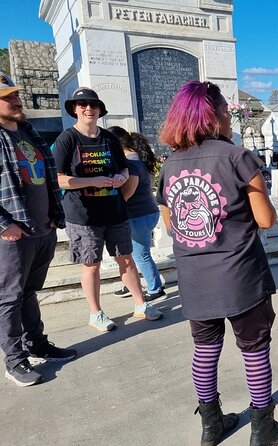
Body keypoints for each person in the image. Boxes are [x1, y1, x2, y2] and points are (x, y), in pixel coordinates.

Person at [156, 80, 278, 446]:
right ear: (213, 114)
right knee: (254, 349)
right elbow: (265, 220)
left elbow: (171, 223)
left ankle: (211, 424)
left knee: (205, 349)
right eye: (225, 109)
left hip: (194, 275)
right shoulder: (237, 157)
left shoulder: (170, 164)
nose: (229, 115)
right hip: (239, 274)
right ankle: (263, 427)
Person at [53, 87, 162, 332]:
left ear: (100, 110)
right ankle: (96, 313)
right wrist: (93, 181)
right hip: (84, 216)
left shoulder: (110, 138)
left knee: (126, 258)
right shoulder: (67, 139)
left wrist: (120, 179)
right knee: (91, 263)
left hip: (115, 211)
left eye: (93, 105)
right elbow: (59, 178)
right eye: (82, 104)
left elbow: (124, 169)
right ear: (74, 109)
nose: (88, 108)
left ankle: (141, 305)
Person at [0, 72, 77, 387]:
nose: (17, 99)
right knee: (8, 298)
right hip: (13, 234)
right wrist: (5, 225)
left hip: (42, 228)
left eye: (16, 94)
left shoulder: (28, 132)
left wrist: (54, 215)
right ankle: (15, 360)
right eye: (8, 96)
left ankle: (37, 343)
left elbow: (47, 178)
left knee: (29, 292)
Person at [107, 127, 165, 301]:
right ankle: (131, 284)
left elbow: (127, 194)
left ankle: (155, 289)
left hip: (138, 215)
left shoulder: (131, 164)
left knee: (140, 254)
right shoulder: (139, 159)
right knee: (130, 254)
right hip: (146, 213)